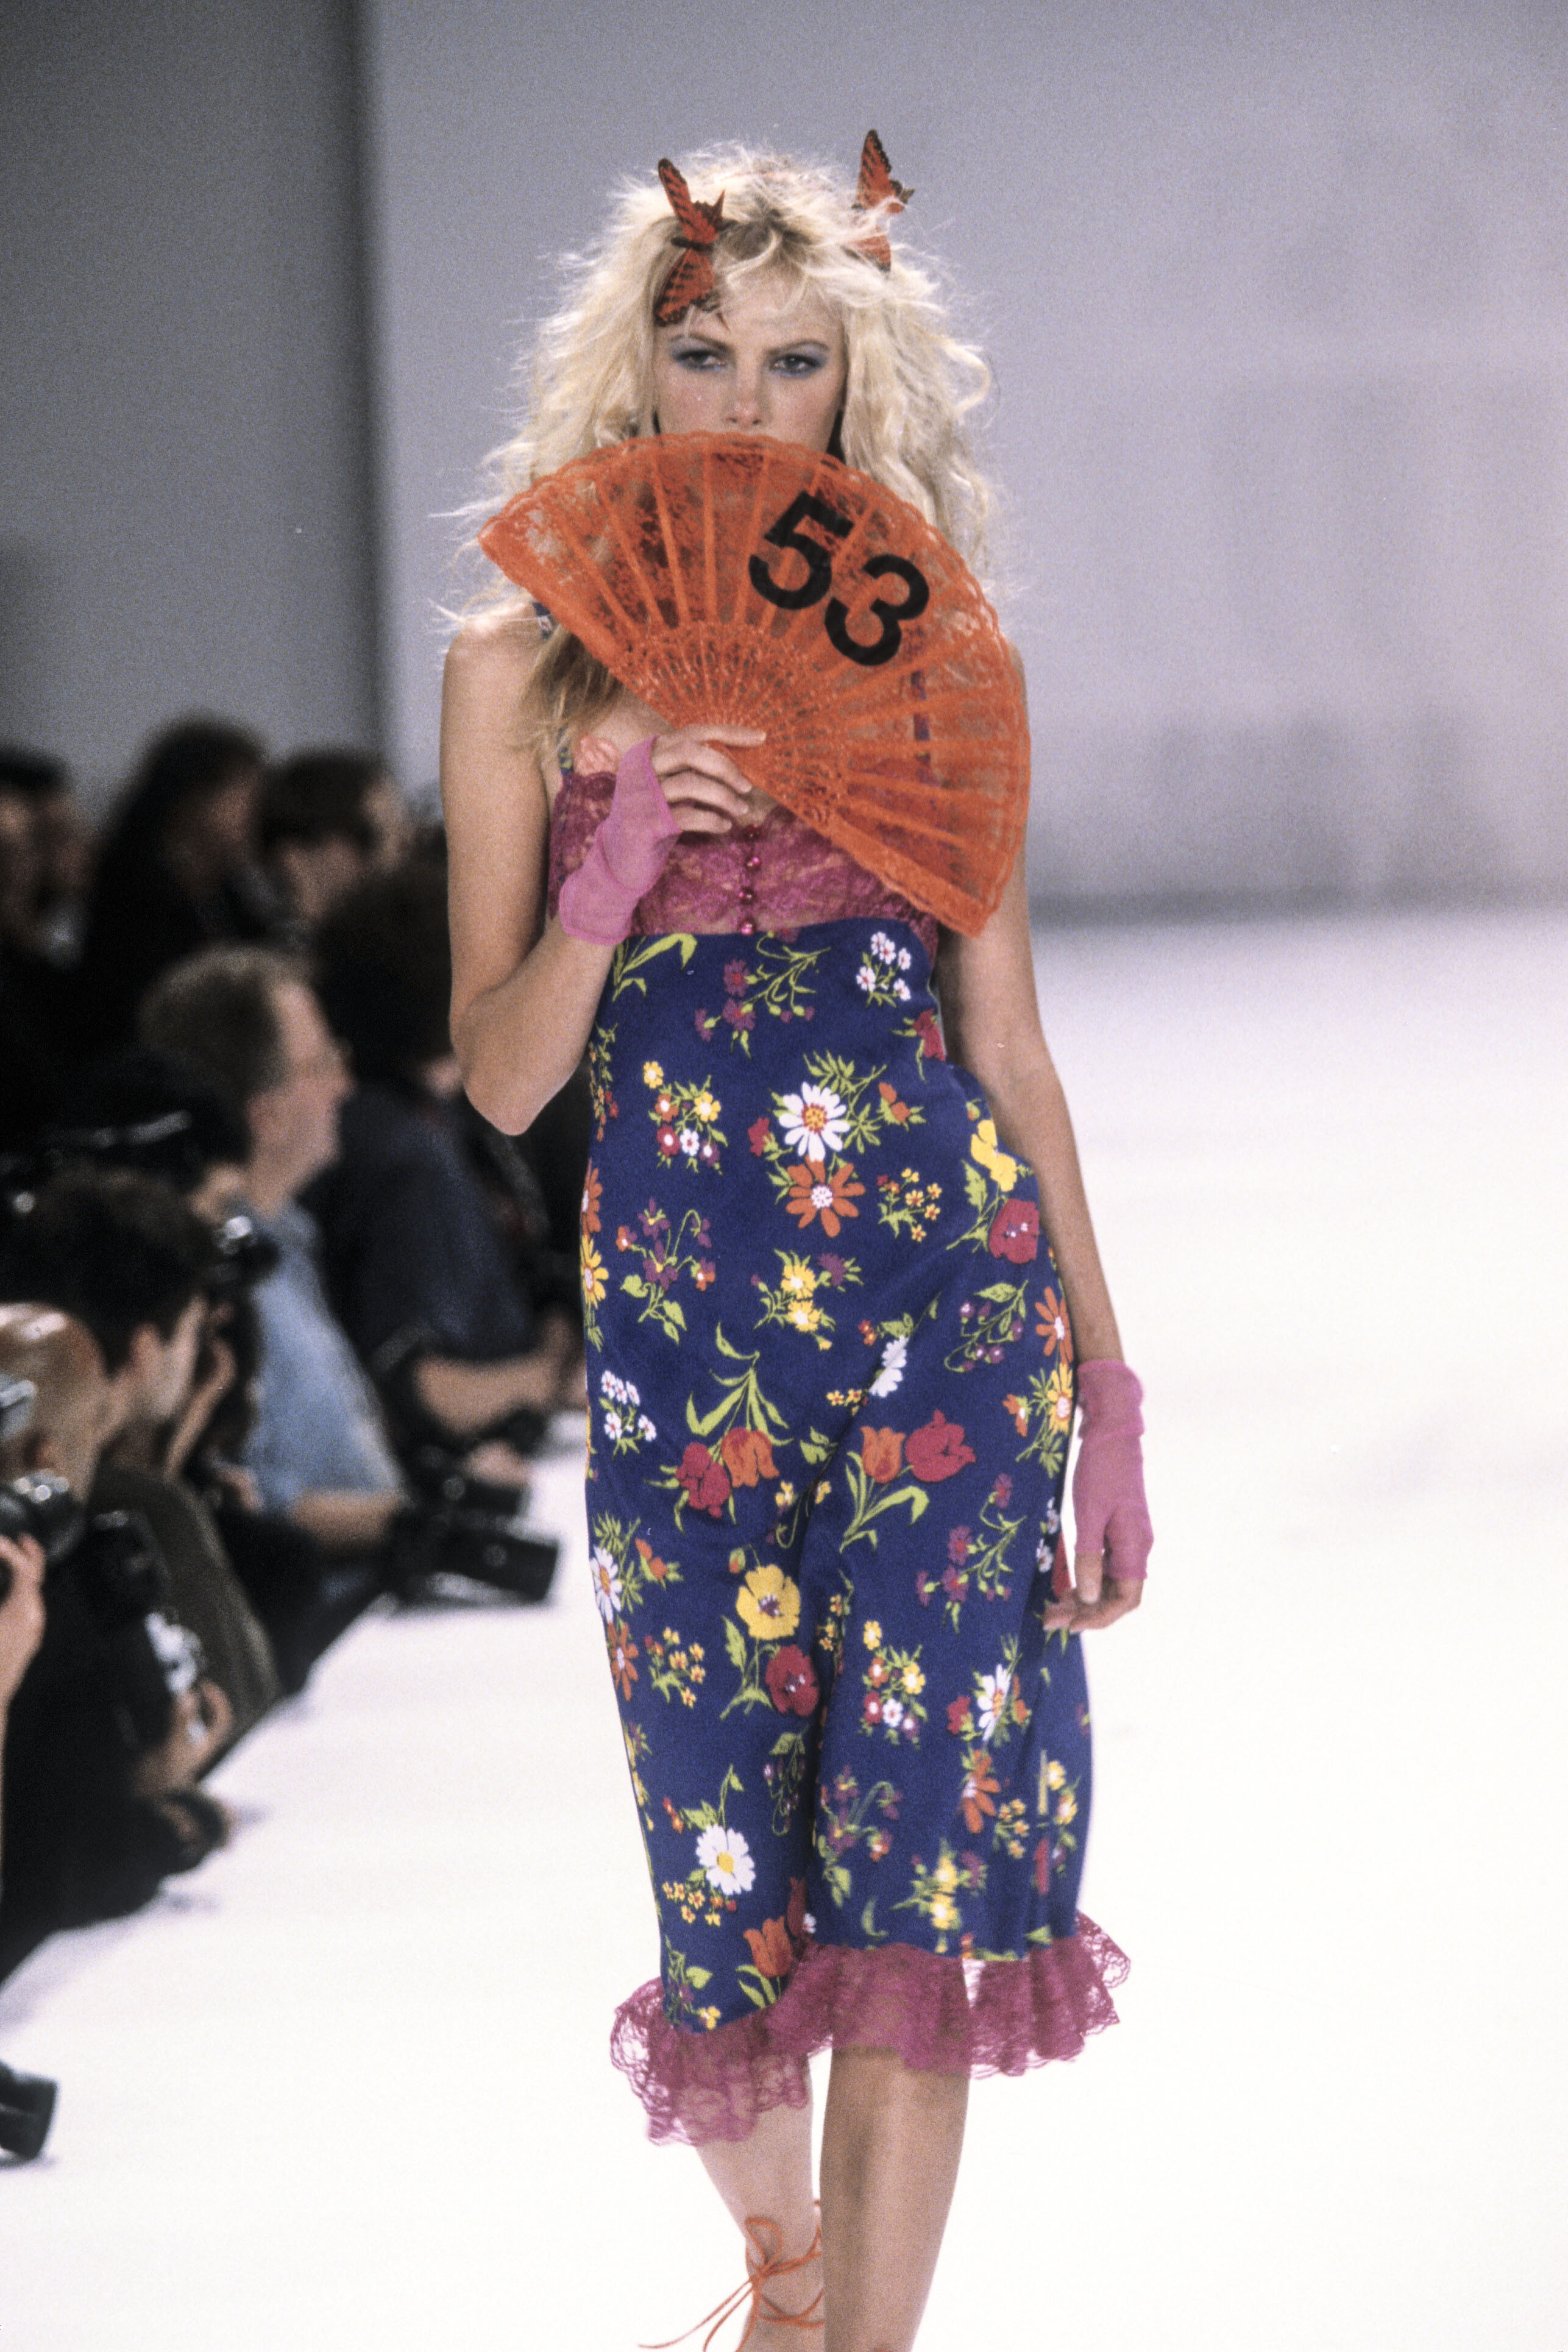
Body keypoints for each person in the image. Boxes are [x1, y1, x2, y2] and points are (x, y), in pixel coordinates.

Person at [441, 141, 1152, 2351]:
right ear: (634, 369)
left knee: (916, 1894)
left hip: (946, 1326)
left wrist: (1109, 1382)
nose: (745, 403)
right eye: (702, 352)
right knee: (727, 1893)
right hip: (683, 1352)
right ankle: (788, 2267)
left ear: (860, 392)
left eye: (793, 361)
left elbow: (1008, 1047)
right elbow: (501, 1081)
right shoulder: (519, 670)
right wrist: (607, 873)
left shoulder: (939, 653)